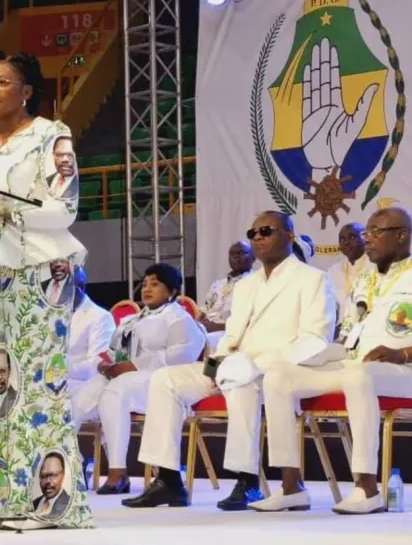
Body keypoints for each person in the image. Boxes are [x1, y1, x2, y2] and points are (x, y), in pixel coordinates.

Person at [0, 50, 90, 528]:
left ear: (26, 90)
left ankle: (52, 504)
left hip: (39, 272)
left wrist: (1, 208)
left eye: (2, 82)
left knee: (38, 388)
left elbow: (62, 209)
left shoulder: (52, 135)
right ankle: (5, 498)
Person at [123, 211, 337, 511]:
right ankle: (169, 480)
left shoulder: (313, 279)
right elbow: (230, 337)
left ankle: (246, 479)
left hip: (277, 370)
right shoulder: (247, 285)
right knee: (165, 379)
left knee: (242, 378)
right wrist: (214, 367)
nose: (258, 238)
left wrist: (258, 363)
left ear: (289, 235)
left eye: (266, 231)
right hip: (234, 364)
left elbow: (316, 338)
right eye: (253, 234)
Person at [253, 207, 412, 514]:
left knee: (359, 375)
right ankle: (291, 486)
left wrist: (402, 352)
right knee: (279, 377)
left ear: (402, 235)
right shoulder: (365, 279)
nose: (368, 240)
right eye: (367, 233)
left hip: (402, 368)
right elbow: (350, 333)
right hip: (356, 363)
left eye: (376, 233)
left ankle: (366, 488)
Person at [73, 264, 206, 495]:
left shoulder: (177, 318)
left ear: (172, 290)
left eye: (155, 284)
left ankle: (118, 472)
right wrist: (106, 363)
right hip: (126, 377)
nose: (147, 289)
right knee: (79, 398)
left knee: (115, 393)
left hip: (161, 381)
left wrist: (134, 365)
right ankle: (69, 464)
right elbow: (115, 350)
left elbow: (182, 355)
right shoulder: (132, 320)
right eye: (144, 284)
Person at [65, 265, 115, 421]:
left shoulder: (99, 317)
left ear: (79, 287)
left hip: (82, 385)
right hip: (53, 383)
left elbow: (96, 364)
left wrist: (60, 370)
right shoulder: (49, 316)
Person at [199, 241, 253, 349]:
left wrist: (217, 327)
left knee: (202, 342)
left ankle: (211, 366)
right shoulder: (217, 284)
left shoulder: (254, 283)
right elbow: (207, 310)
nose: (236, 257)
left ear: (253, 257)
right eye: (232, 254)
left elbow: (251, 322)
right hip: (208, 329)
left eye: (241, 253)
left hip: (231, 334)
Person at [327, 222, 369, 315]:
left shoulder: (375, 265)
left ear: (365, 239)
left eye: (352, 237)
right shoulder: (334, 270)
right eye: (342, 239)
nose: (346, 242)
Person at [31, 452, 71, 520]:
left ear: (63, 475)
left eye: (53, 475)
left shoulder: (69, 505)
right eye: (43, 476)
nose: (48, 481)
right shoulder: (34, 503)